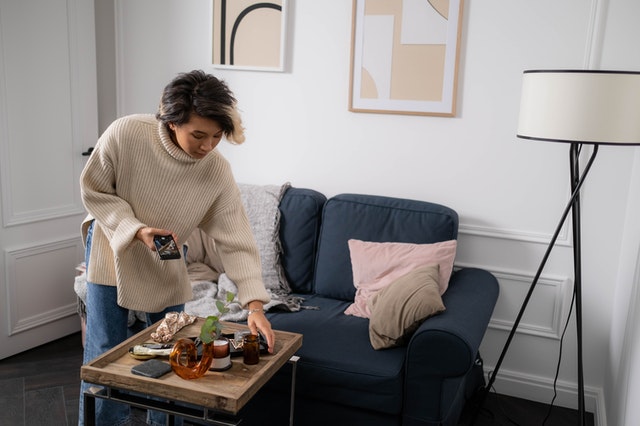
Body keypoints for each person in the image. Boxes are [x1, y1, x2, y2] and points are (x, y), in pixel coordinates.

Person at [78, 70, 275, 426]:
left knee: (175, 352)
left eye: (217, 136)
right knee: (104, 354)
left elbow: (237, 241)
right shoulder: (126, 134)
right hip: (112, 245)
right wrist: (135, 230)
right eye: (198, 135)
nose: (208, 146)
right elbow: (95, 191)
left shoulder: (216, 171)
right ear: (171, 122)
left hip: (168, 251)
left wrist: (255, 305)